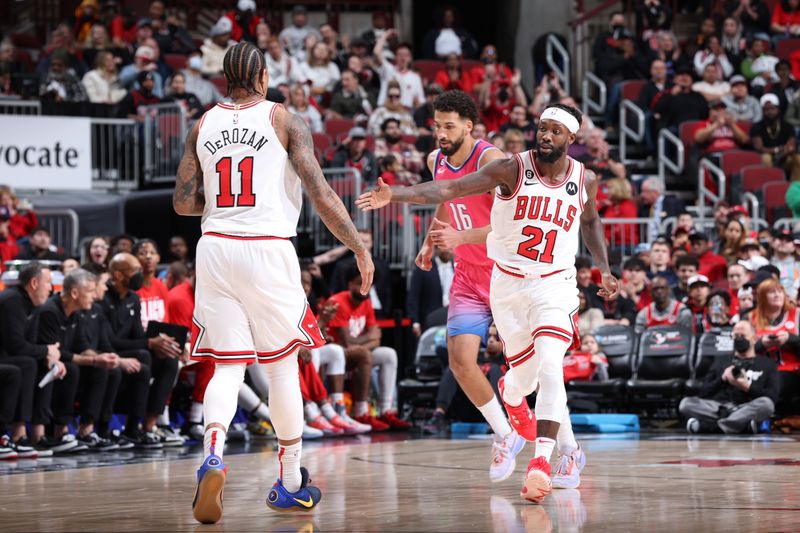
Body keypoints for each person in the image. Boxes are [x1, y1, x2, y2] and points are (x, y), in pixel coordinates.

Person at [357, 102, 620, 502]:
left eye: (554, 130)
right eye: (541, 128)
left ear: (570, 138)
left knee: (552, 366)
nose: (545, 135)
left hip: (555, 285)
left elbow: (590, 221)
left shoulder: (586, 179)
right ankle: (511, 400)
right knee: (523, 380)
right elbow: (450, 190)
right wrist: (397, 194)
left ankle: (544, 461)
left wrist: (604, 268)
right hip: (507, 284)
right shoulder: (511, 168)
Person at [173, 41, 373, 522]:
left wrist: (227, 207)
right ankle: (288, 483)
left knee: (226, 367)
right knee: (282, 367)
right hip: (267, 247)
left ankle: (214, 454)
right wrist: (359, 247)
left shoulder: (201, 123)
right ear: (262, 77)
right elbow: (321, 194)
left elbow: (182, 202)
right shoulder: (283, 119)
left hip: (215, 247)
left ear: (225, 78)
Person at [680, 320, 778, 434]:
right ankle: (739, 425)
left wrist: (747, 387)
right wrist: (722, 379)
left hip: (744, 407)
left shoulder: (767, 364)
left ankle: (713, 427)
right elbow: (703, 392)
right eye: (736, 336)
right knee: (686, 404)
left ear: (754, 339)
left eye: (743, 336)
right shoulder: (722, 360)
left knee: (767, 404)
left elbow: (773, 398)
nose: (739, 339)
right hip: (717, 407)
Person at [750, 279, 800, 409]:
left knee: (776, 381)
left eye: (780, 291)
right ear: (762, 297)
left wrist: (790, 339)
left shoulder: (796, 314)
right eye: (772, 292)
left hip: (792, 371)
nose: (777, 295)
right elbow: (742, 353)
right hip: (761, 372)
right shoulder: (751, 318)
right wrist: (761, 344)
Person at [751, 93, 800, 181]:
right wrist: (777, 150)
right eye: (766, 109)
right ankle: (772, 185)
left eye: (773, 108)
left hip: (784, 157)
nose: (770, 112)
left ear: (778, 109)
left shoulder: (787, 126)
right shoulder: (757, 126)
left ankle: (794, 188)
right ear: (763, 111)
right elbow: (759, 148)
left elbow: (791, 143)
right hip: (765, 158)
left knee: (797, 158)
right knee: (766, 157)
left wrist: (788, 149)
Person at [408, 246, 455, 336]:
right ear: (437, 248)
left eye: (451, 247)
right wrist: (415, 322)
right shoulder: (423, 267)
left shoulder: (457, 269)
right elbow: (413, 297)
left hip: (452, 320)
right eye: (445, 247)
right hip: (430, 321)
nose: (449, 251)